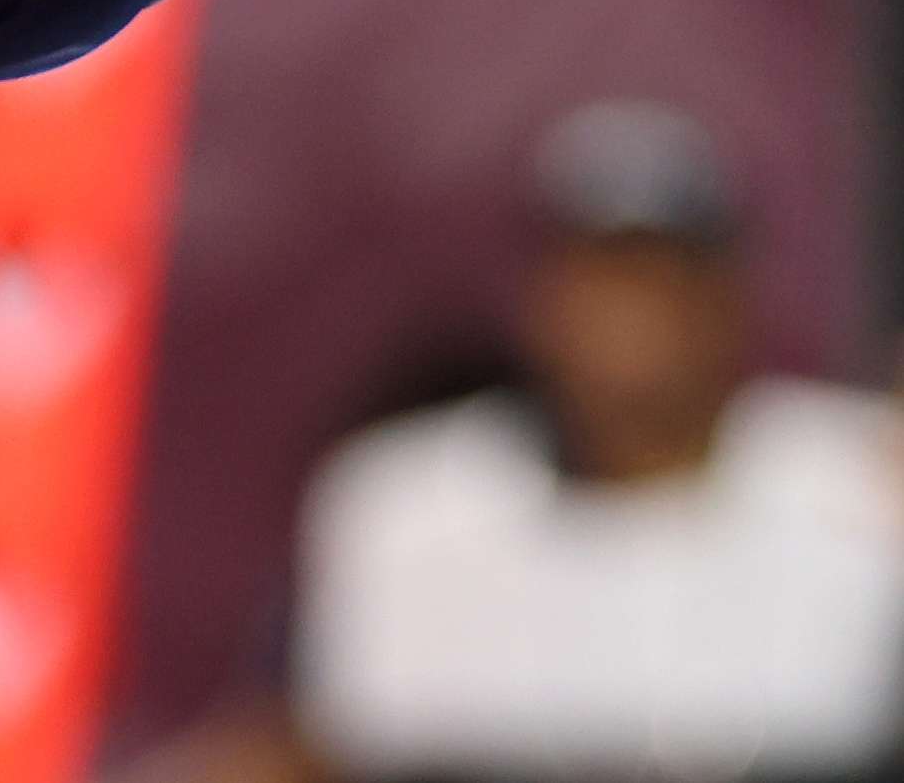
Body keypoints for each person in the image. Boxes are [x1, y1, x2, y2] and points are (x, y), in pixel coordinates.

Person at [292, 102, 904, 782]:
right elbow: (303, 741)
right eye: (602, 275)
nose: (632, 317)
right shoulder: (399, 504)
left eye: (666, 277)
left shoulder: (865, 485)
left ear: (731, 300)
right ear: (540, 301)